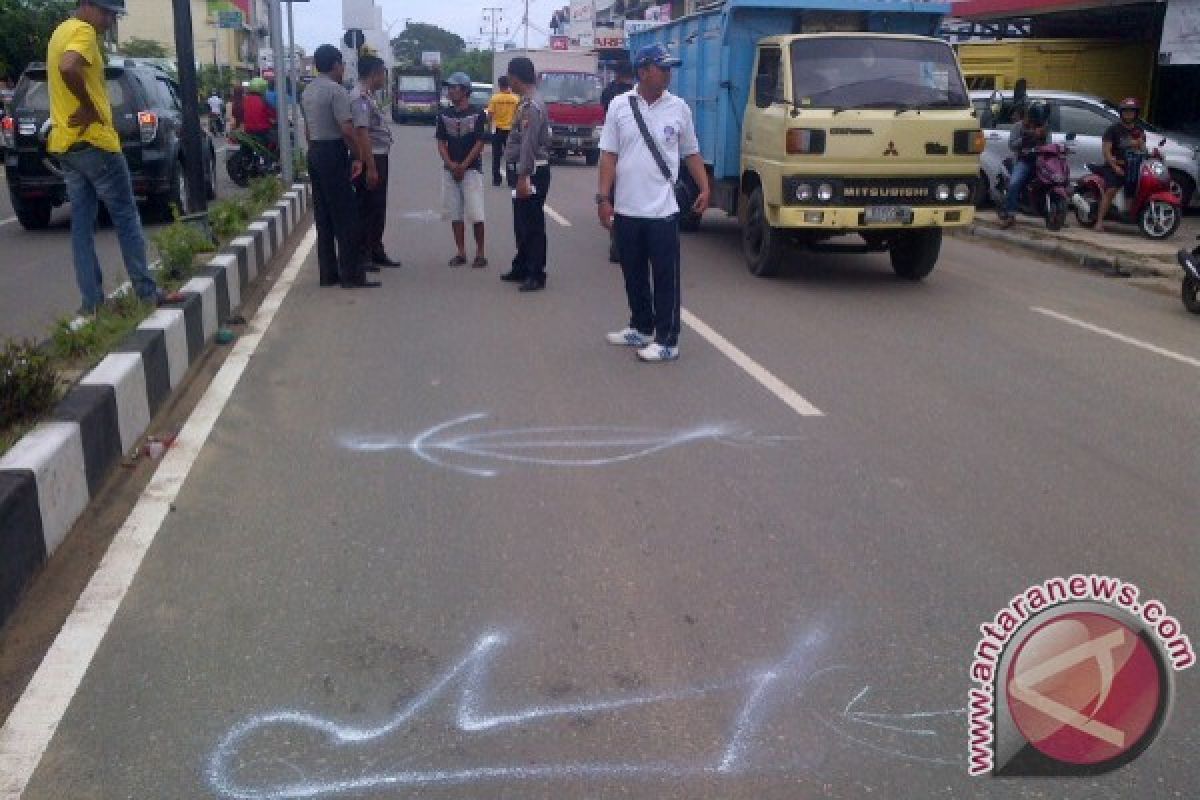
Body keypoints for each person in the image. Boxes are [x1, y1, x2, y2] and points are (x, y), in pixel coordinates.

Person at [596, 44, 709, 363]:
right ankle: (641, 327)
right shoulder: (620, 105)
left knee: (664, 277)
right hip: (626, 210)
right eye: (663, 67)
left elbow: (691, 152)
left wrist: (704, 186)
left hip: (662, 212)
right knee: (632, 274)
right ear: (643, 71)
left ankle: (668, 339)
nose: (669, 73)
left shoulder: (679, 108)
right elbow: (608, 155)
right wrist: (603, 198)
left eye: (670, 67)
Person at [47, 0, 161, 315]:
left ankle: (92, 303)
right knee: (126, 216)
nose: (111, 21)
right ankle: (146, 291)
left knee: (82, 225)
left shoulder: (60, 31)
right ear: (89, 6)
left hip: (67, 144)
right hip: (96, 142)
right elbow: (68, 66)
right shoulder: (83, 32)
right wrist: (88, 105)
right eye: (108, 13)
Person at [300, 44, 378, 289]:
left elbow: (308, 129)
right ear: (335, 64)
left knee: (323, 217)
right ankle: (352, 275)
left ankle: (328, 274)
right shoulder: (336, 91)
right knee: (347, 217)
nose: (343, 68)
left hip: (315, 152)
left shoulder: (308, 91)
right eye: (342, 64)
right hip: (333, 152)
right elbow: (346, 129)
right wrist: (359, 158)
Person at [501, 57, 552, 292]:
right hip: (523, 170)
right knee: (521, 223)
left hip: (531, 172)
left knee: (532, 225)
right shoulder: (526, 102)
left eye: (510, 75)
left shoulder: (531, 105)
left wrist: (523, 177)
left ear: (515, 76)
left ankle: (535, 272)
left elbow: (529, 144)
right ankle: (521, 264)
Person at [435, 71, 488, 268]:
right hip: (450, 170)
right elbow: (441, 143)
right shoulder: (444, 115)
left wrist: (464, 165)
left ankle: (480, 253)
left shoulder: (478, 114)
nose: (450, 91)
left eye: (454, 87)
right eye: (449, 87)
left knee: (476, 214)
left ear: (465, 90)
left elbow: (480, 142)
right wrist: (451, 164)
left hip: (472, 170)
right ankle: (461, 252)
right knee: (455, 213)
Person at [351, 54, 400, 269]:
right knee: (368, 207)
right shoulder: (360, 97)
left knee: (378, 206)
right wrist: (370, 166)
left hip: (379, 155)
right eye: (383, 74)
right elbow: (362, 133)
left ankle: (376, 249)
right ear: (375, 73)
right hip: (372, 157)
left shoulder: (369, 96)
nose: (384, 79)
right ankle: (364, 254)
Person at [1093, 97, 1148, 231]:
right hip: (1114, 165)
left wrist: (1144, 148)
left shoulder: (1139, 131)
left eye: (1131, 112)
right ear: (1121, 113)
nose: (1129, 114)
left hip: (1133, 167)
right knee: (1111, 190)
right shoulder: (1113, 130)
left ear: (1136, 114)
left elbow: (1143, 150)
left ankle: (1129, 215)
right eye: (1126, 112)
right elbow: (1106, 152)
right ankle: (1099, 222)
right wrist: (1115, 167)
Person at [601, 62, 635, 263]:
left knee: (615, 198)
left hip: (612, 149)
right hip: (630, 150)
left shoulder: (608, 93)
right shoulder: (634, 95)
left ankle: (616, 244)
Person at [998, 101, 1048, 229]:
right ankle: (1010, 215)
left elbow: (1049, 144)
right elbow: (1011, 145)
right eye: (1032, 121)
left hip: (1041, 161)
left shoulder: (1043, 128)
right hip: (1023, 161)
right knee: (1014, 183)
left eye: (1037, 122)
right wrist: (1027, 136)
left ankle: (1055, 213)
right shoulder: (1018, 127)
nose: (1034, 124)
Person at [486, 76, 519, 187]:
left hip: (498, 130)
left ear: (499, 85)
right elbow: (518, 115)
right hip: (511, 130)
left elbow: (490, 115)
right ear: (508, 84)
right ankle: (511, 180)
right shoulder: (515, 99)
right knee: (510, 156)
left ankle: (496, 179)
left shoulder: (495, 98)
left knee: (496, 155)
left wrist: (489, 128)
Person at [243, 77, 276, 151]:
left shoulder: (245, 100)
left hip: (248, 131)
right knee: (276, 140)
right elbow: (273, 116)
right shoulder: (263, 100)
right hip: (262, 131)